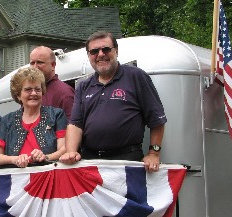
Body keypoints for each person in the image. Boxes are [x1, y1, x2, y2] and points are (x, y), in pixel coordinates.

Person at [59, 31, 167, 172]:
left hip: (127, 160)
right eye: (94, 51)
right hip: (91, 163)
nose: (101, 54)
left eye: (106, 49)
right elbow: (75, 124)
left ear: (116, 51)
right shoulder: (83, 86)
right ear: (89, 56)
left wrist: (154, 153)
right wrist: (71, 152)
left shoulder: (136, 76)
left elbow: (156, 119)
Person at [0, 67, 67, 168]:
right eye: (28, 90)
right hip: (19, 181)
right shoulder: (7, 120)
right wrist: (15, 159)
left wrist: (46, 157)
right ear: (18, 95)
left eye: (37, 89)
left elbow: (64, 149)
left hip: (49, 177)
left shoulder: (56, 115)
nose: (34, 93)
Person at [30, 46, 74, 120]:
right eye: (32, 63)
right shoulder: (28, 93)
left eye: (40, 62)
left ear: (53, 65)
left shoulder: (64, 93)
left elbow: (72, 127)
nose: (35, 67)